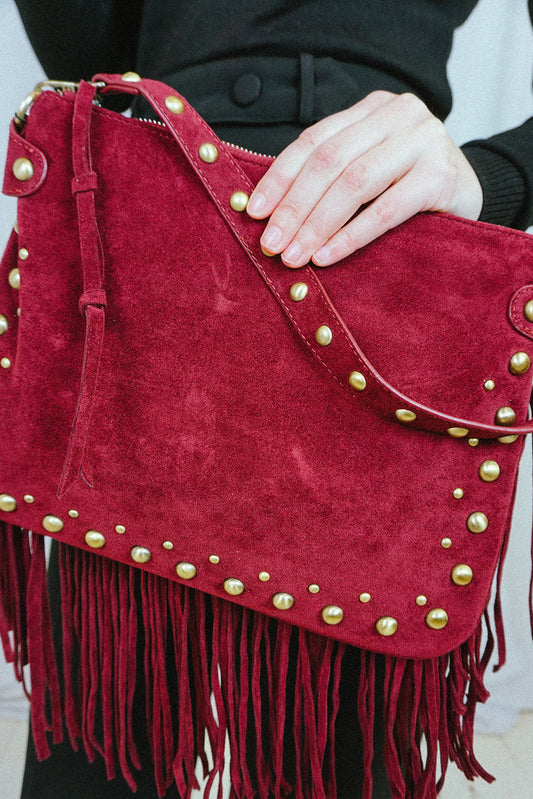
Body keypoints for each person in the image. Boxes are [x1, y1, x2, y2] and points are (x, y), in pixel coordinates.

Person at [7, 2, 533, 798]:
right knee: (103, 741)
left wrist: (497, 174)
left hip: (359, 249)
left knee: (332, 748)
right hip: (158, 243)